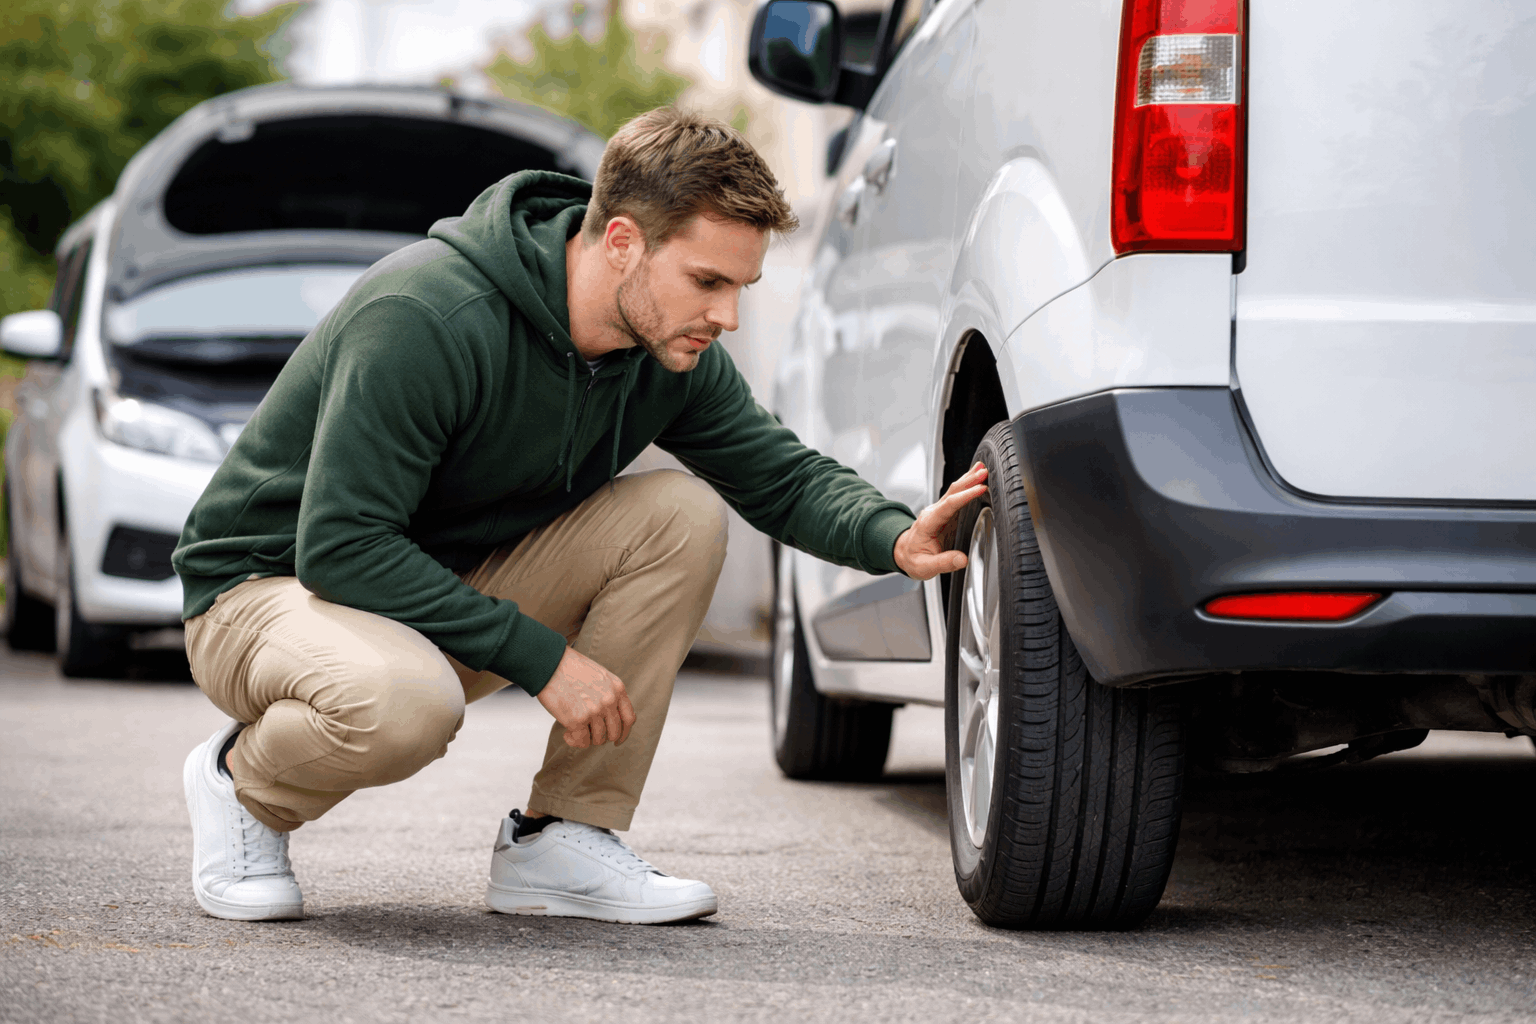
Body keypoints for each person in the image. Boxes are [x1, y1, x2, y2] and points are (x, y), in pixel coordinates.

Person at [174, 108, 989, 926]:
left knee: (679, 515)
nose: (728, 316)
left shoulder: (666, 352)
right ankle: (244, 789)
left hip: (428, 588)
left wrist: (892, 532)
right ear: (624, 242)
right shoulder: (427, 314)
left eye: (740, 288)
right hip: (264, 590)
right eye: (707, 281)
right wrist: (544, 659)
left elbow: (775, 473)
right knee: (405, 704)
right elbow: (342, 547)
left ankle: (563, 836)